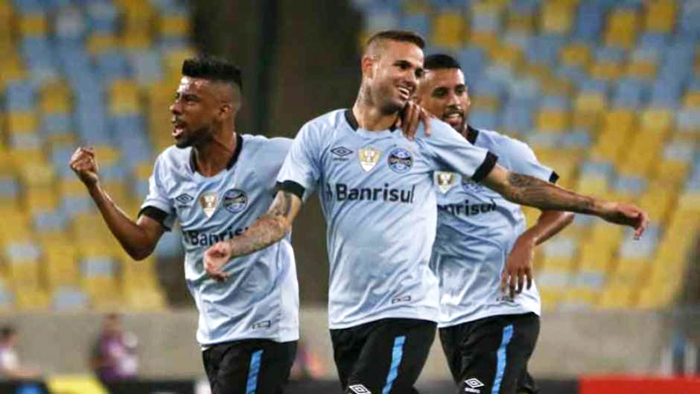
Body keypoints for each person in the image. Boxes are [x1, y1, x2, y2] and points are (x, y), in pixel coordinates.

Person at [203, 30, 647, 394]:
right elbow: (281, 217)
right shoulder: (318, 136)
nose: (411, 78)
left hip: (409, 308)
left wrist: (598, 207)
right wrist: (234, 246)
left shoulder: (430, 134)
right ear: (369, 66)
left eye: (417, 72)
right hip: (349, 315)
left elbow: (513, 183)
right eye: (403, 67)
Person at [69, 56, 299, 394]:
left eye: (189, 99)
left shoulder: (273, 156)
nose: (175, 108)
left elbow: (337, 156)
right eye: (177, 97)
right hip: (214, 334)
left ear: (223, 110)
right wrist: (94, 188)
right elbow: (140, 244)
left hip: (263, 330)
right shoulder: (170, 166)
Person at [416, 53, 574, 394]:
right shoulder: (408, 160)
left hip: (505, 308)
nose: (454, 101)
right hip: (452, 316)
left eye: (460, 90)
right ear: (416, 101)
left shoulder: (503, 151)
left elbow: (563, 205)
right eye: (441, 93)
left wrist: (526, 241)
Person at [89, 314, 138, 383]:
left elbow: (132, 361)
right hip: (108, 379)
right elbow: (93, 364)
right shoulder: (100, 343)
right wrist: (108, 362)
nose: (112, 328)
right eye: (109, 326)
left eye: (115, 325)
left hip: (127, 379)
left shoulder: (127, 340)